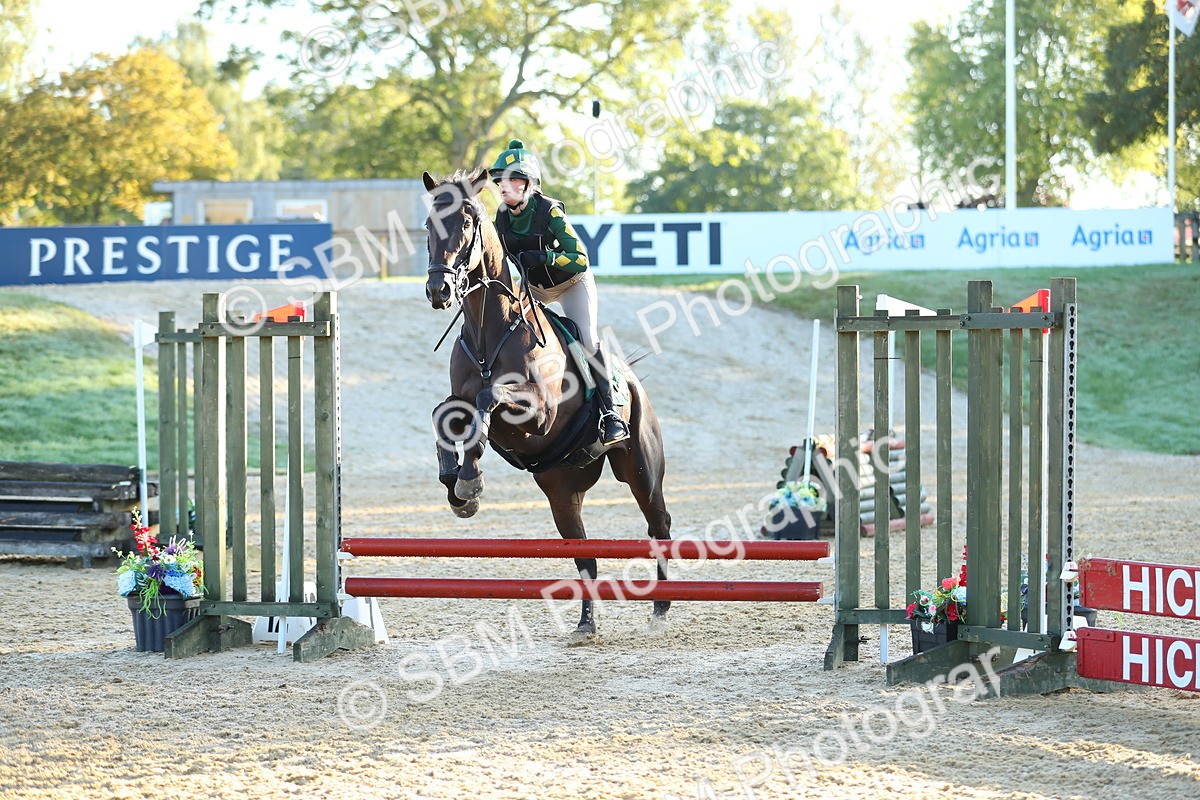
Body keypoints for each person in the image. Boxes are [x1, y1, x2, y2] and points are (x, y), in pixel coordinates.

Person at [487, 139, 628, 446]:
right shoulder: (501, 217)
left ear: (529, 184)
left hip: (571, 284)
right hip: (534, 289)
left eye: (513, 180)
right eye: (501, 181)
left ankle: (611, 413)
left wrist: (546, 257)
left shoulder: (549, 211)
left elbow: (580, 258)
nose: (504, 187)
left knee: (588, 339)